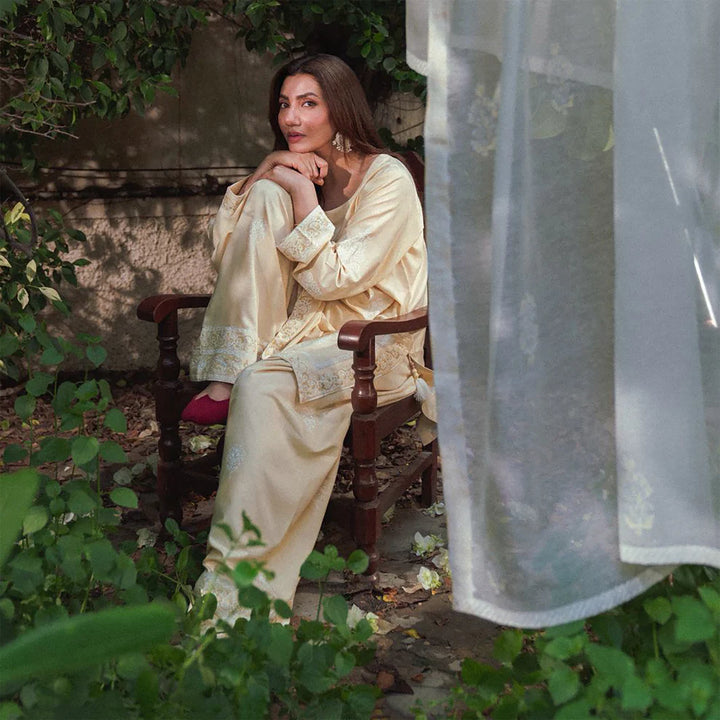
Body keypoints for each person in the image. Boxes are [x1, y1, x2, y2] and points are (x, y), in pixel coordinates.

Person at [186, 53, 428, 623]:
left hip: (372, 346)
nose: (291, 117)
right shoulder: (293, 169)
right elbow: (226, 251)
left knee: (265, 387)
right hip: (299, 330)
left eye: (308, 103)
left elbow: (335, 278)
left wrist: (300, 193)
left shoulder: (387, 178)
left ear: (339, 108)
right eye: (284, 104)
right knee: (263, 195)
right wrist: (270, 169)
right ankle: (228, 370)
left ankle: (240, 589)